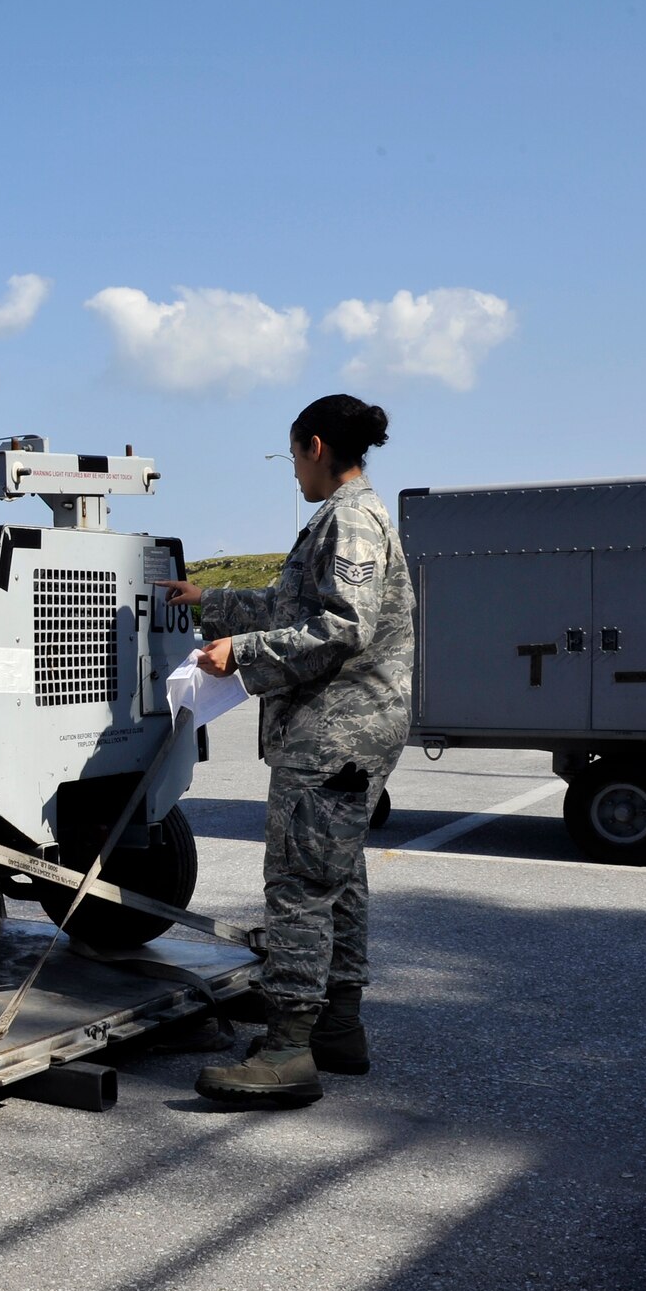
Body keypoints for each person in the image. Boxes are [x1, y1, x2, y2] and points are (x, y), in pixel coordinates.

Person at [156, 394, 413, 1105]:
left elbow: (342, 626)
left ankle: (287, 1048)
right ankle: (337, 1025)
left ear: (317, 447)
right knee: (337, 879)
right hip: (352, 729)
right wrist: (210, 599)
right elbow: (294, 603)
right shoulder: (343, 517)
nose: (294, 471)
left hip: (336, 730)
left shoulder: (350, 519)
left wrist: (242, 653)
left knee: (299, 886)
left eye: (296, 455)